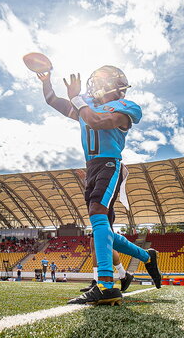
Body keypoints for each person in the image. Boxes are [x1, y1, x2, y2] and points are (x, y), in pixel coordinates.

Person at [38, 66, 161, 306]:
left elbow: (98, 122)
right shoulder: (86, 107)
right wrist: (46, 80)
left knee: (97, 216)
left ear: (116, 84)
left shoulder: (126, 107)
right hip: (92, 167)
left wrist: (77, 99)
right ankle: (146, 257)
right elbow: (53, 100)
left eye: (101, 80)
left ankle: (106, 285)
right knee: (101, 232)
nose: (95, 85)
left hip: (109, 163)